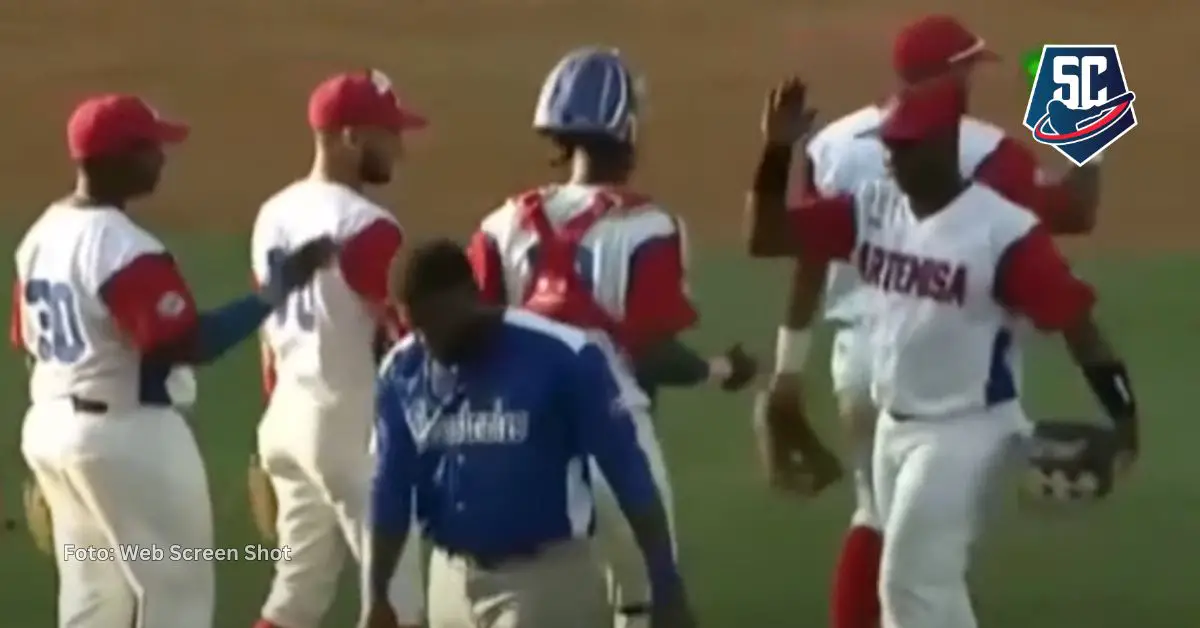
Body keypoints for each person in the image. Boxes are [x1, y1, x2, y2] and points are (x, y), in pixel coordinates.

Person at [746, 77, 1139, 628]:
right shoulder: (873, 209)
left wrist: (1124, 420)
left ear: (943, 146)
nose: (892, 155)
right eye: (890, 143)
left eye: (905, 145)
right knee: (929, 592)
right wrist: (777, 150)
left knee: (908, 585)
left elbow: (1078, 326)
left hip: (963, 432)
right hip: (893, 426)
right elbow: (768, 236)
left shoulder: (1001, 232)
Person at [13, 93, 332, 628]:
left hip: (52, 426)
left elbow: (26, 342)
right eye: (152, 149)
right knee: (174, 593)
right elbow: (186, 344)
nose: (162, 159)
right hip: (124, 434)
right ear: (120, 157)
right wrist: (273, 294)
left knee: (93, 598)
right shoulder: (122, 247)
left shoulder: (40, 235)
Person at [465, 46, 754, 628]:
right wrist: (720, 369)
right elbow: (650, 353)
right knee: (648, 604)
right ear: (626, 130)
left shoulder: (498, 226)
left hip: (513, 448)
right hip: (614, 450)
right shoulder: (650, 229)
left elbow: (475, 339)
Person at [362, 239, 696, 628]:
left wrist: (665, 583)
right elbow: (390, 488)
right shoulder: (403, 368)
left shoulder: (561, 354)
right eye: (418, 327)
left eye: (437, 323)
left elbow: (629, 476)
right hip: (449, 578)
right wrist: (377, 595)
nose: (430, 342)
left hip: (542, 580)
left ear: (471, 295)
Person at [250, 69, 428, 628]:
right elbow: (404, 336)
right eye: (387, 133)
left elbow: (267, 331)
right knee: (399, 604)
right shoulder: (368, 226)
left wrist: (282, 424)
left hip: (286, 418)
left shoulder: (272, 212)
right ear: (350, 137)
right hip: (349, 427)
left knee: (295, 597)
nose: (398, 147)